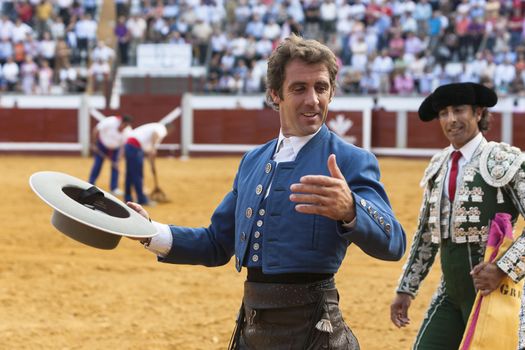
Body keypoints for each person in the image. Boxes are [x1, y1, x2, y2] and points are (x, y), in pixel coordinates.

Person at [127, 34, 406, 349]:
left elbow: (394, 242)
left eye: (322, 88)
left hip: (314, 330)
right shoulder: (254, 161)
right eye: (299, 88)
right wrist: (148, 232)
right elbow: (216, 243)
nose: (313, 100)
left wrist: (352, 209)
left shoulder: (351, 160)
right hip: (254, 328)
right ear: (276, 94)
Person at [390, 82, 525, 349]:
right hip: (451, 293)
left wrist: (502, 268)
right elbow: (427, 235)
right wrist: (406, 288)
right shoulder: (438, 165)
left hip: (495, 291)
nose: (451, 120)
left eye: (459, 110)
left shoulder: (503, 159)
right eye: (444, 113)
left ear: (478, 113)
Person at [124, 121, 173, 206]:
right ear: (169, 130)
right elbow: (155, 134)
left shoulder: (153, 127)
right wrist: (154, 148)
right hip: (135, 146)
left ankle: (128, 198)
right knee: (137, 174)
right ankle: (142, 199)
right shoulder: (162, 129)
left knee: (130, 174)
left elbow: (149, 153)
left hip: (129, 145)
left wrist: (152, 166)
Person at [88, 114, 133, 196]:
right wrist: (94, 144)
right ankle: (90, 184)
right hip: (102, 145)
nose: (124, 127)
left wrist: (119, 159)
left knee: (115, 167)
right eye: (124, 125)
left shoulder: (128, 131)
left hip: (116, 149)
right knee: (97, 164)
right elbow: (96, 130)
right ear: (121, 122)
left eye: (127, 126)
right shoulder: (110, 121)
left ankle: (114, 188)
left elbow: (123, 147)